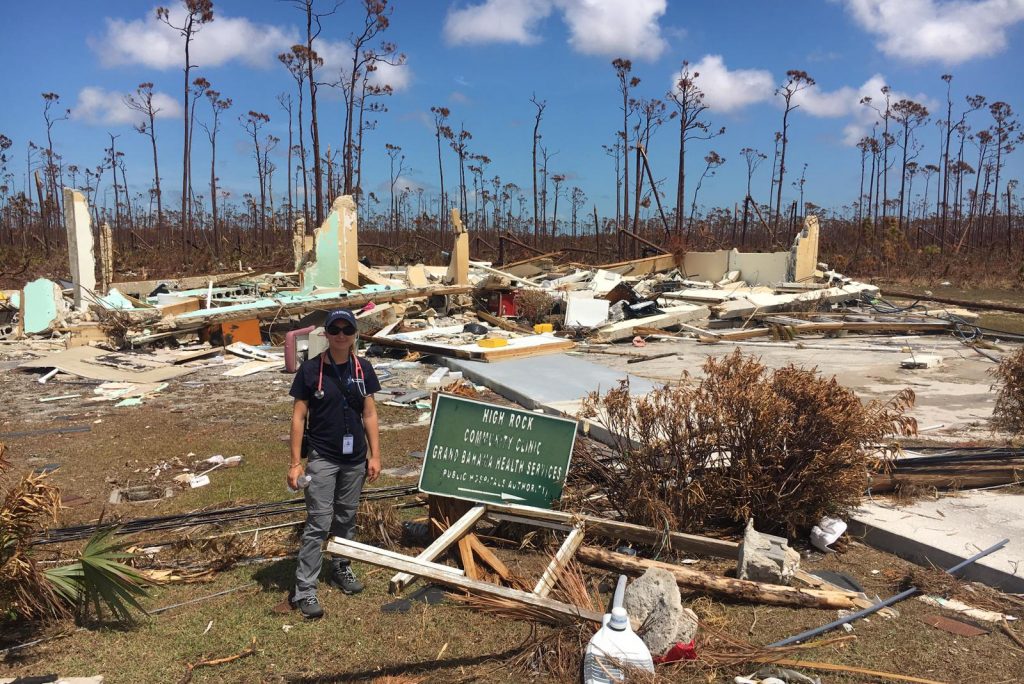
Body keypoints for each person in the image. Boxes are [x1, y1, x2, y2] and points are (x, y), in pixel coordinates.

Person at [287, 308, 381, 619]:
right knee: (318, 522)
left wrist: (375, 455)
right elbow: (299, 417)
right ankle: (305, 589)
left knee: (346, 518)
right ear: (326, 334)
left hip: (354, 460)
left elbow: (369, 414)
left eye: (347, 329)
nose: (341, 335)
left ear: (355, 334)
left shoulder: (363, 369)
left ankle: (342, 567)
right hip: (323, 457)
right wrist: (295, 463)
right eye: (335, 329)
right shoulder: (311, 370)